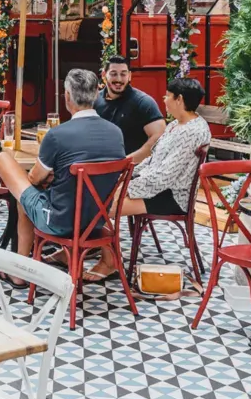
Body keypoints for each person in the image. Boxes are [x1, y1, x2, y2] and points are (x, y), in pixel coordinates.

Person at [0, 69, 125, 275]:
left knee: (5, 164)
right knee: (35, 194)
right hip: (97, 221)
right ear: (96, 95)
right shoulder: (116, 133)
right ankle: (34, 263)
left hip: (59, 222)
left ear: (68, 96)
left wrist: (46, 179)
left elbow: (34, 178)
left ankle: (19, 272)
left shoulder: (56, 135)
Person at [87, 77, 213, 279]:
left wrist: (127, 188)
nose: (164, 99)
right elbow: (154, 160)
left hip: (170, 196)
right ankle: (96, 251)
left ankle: (109, 262)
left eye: (167, 96)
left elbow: (164, 177)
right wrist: (126, 175)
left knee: (100, 208)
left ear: (179, 99)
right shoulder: (176, 125)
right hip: (156, 188)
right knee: (100, 196)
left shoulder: (192, 132)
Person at [94, 57, 165, 154]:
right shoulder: (94, 100)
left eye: (123, 74)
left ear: (130, 76)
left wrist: (127, 162)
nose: (119, 79)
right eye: (113, 74)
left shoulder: (143, 102)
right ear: (103, 75)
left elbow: (159, 137)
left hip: (134, 167)